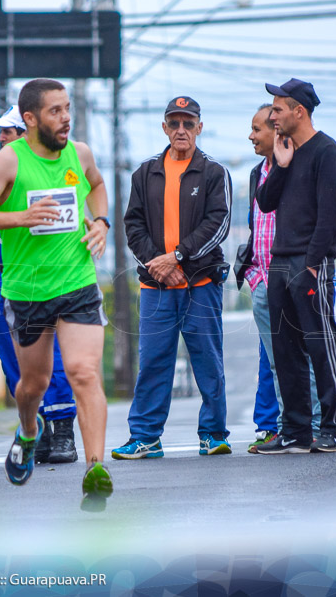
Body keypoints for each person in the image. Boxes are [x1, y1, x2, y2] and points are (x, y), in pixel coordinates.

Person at [0, 78, 113, 510]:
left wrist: (100, 222)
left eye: (67, 109)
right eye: (55, 111)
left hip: (77, 284)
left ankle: (94, 469)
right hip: (26, 292)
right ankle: (29, 432)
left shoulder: (79, 153)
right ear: (30, 119)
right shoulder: (8, 162)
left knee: (83, 373)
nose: (65, 118)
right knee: (33, 384)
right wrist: (21, 217)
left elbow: (97, 184)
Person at [113, 96, 233, 460]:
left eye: (188, 122)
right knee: (153, 362)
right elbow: (132, 225)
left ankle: (212, 434)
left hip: (200, 284)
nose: (181, 130)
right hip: (156, 288)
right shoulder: (145, 173)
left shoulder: (213, 172)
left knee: (208, 361)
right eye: (174, 123)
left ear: (199, 126)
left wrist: (178, 255)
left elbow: (219, 222)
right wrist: (157, 264)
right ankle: (146, 437)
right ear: (164, 128)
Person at [256, 78, 336, 453]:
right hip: (279, 261)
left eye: (278, 109)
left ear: (299, 111)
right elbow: (265, 203)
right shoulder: (285, 151)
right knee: (285, 349)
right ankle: (295, 430)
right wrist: (280, 165)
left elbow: (331, 218)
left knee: (321, 345)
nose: (272, 115)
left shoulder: (327, 151)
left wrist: (313, 264)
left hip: (310, 263)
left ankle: (334, 427)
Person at [0, 105, 78, 464]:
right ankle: (36, 430)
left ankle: (64, 431)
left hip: (43, 276)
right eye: (0, 132)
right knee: (15, 362)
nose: (2, 138)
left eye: (7, 131)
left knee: (49, 358)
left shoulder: (41, 173)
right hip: (2, 275)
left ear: (25, 133)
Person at [234, 105, 321, 453]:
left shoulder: (304, 168)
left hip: (297, 280)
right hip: (264, 283)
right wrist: (256, 276)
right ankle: (290, 428)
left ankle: (316, 427)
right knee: (277, 363)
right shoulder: (258, 173)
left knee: (306, 359)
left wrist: (314, 265)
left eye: (257, 129)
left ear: (276, 132)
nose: (251, 136)